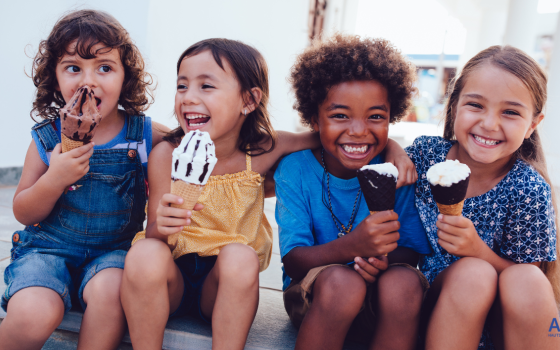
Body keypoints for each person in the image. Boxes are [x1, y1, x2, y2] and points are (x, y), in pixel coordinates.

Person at [120, 38, 416, 350]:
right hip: (170, 279)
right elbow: (154, 235)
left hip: (223, 284)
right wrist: (162, 227)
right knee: (144, 252)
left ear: (249, 100)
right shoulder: (167, 154)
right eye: (182, 86)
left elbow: (332, 135)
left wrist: (394, 148)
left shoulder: (263, 150)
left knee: (240, 256)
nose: (188, 97)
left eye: (206, 86)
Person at [0, 9, 168, 350]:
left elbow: (201, 141)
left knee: (111, 294)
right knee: (33, 312)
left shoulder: (143, 136)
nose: (88, 81)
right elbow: (23, 211)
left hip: (113, 254)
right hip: (47, 250)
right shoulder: (48, 139)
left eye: (104, 68)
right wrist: (54, 179)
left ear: (125, 77)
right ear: (56, 78)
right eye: (74, 68)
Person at [275, 34, 432, 350]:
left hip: (380, 298)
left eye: (375, 116)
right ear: (313, 117)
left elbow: (411, 251)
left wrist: (382, 259)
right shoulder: (295, 170)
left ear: (392, 116)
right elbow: (294, 262)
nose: (359, 130)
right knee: (342, 283)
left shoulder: (396, 171)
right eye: (340, 115)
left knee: (405, 282)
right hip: (318, 295)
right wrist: (353, 247)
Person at [406, 45, 560, 350]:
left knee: (525, 278)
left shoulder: (527, 188)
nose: (489, 124)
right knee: (473, 275)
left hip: (498, 327)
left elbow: (534, 281)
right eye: (476, 105)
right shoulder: (425, 156)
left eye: (511, 112)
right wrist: (394, 153)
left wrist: (478, 250)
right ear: (453, 107)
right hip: (419, 306)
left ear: (532, 124)